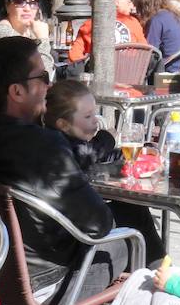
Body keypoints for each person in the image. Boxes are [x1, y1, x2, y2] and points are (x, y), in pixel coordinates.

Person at [0, 38, 124, 297]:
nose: (49, 85)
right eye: (43, 76)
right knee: (122, 241)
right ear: (17, 92)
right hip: (35, 284)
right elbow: (98, 225)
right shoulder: (43, 144)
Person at [43, 80, 166, 262]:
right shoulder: (63, 148)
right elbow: (87, 154)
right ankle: (160, 268)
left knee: (130, 208)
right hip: (71, 236)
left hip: (64, 230)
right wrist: (107, 138)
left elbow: (95, 156)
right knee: (133, 211)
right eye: (87, 117)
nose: (95, 121)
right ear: (63, 124)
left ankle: (159, 267)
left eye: (95, 113)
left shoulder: (48, 139)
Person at [68, 0, 146, 66]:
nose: (132, 5)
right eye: (129, 0)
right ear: (116, 1)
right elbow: (145, 52)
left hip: (98, 76)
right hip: (130, 75)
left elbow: (74, 56)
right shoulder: (133, 23)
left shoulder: (90, 24)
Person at [0, 0, 55, 75]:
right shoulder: (2, 33)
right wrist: (43, 40)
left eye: (33, 3)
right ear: (7, 5)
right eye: (20, 2)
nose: (27, 8)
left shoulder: (30, 31)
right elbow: (42, 76)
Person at [129, 0, 180, 74]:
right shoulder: (172, 14)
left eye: (136, 5)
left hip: (168, 73)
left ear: (143, 4)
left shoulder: (157, 20)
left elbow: (148, 53)